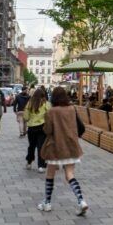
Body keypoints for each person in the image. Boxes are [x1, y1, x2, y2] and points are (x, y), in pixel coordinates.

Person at [38, 87, 88, 216]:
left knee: (50, 174)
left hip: (55, 147)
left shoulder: (51, 112)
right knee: (70, 174)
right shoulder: (72, 109)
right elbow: (79, 126)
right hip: (71, 146)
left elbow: (47, 130)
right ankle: (81, 201)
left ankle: (47, 203)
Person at [24, 88, 50, 172]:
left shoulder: (29, 103)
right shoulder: (46, 104)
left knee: (31, 146)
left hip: (31, 128)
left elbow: (26, 117)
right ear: (43, 95)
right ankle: (41, 166)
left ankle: (29, 162)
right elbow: (50, 116)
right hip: (42, 128)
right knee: (41, 146)